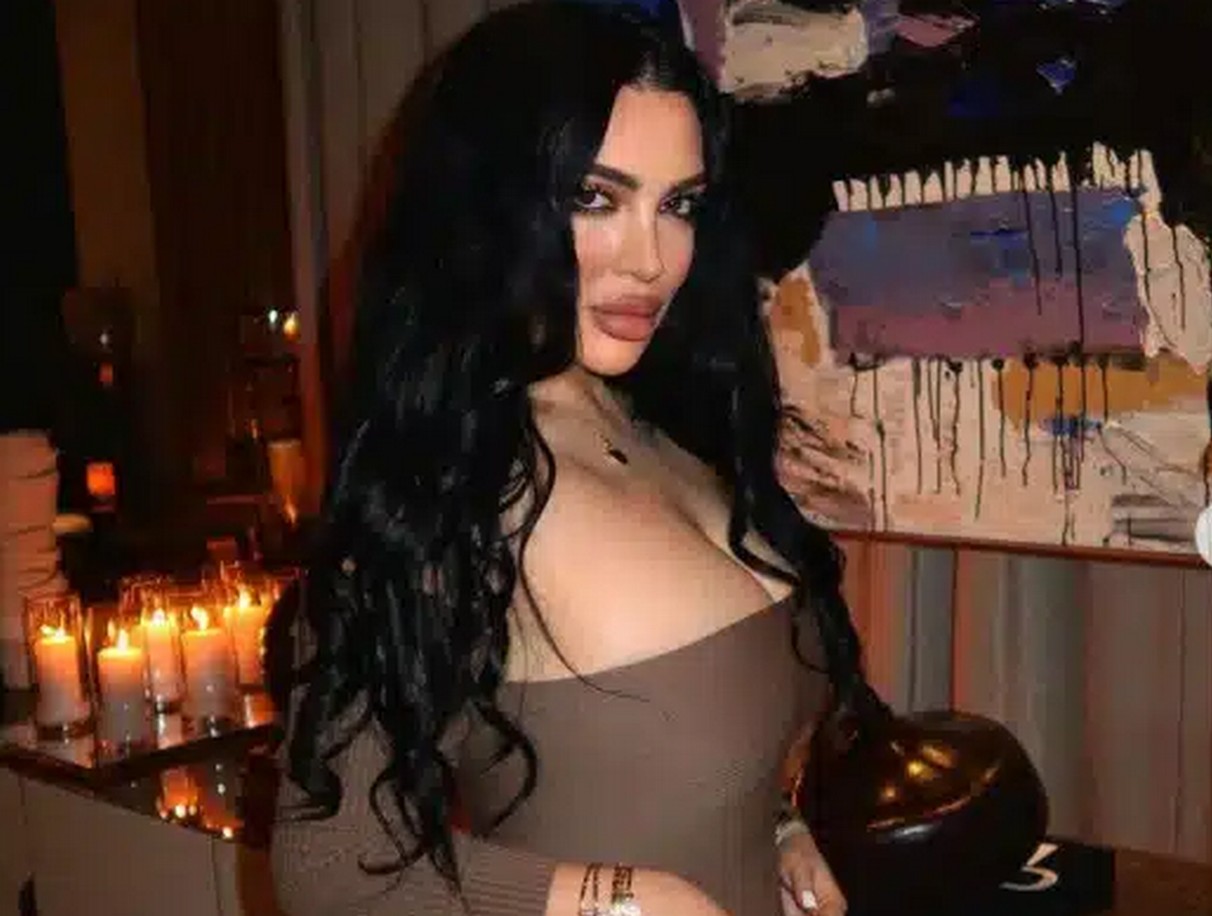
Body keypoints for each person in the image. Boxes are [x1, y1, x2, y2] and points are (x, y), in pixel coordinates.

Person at [267, 3, 868, 914]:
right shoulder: (448, 489)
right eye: (597, 198)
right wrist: (614, 900)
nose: (651, 260)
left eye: (678, 205)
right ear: (490, 205)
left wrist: (778, 830)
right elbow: (330, 864)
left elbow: (696, 757)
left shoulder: (664, 426)